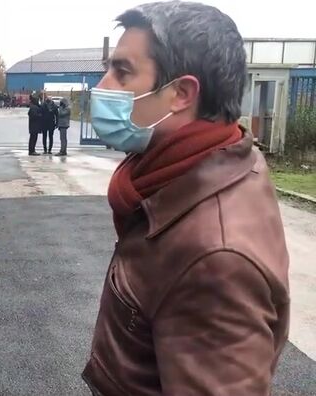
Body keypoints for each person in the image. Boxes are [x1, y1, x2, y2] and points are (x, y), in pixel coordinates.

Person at [83, 2, 289, 395]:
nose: (103, 86)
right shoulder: (208, 160)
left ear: (181, 93)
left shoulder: (217, 259)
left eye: (122, 71)